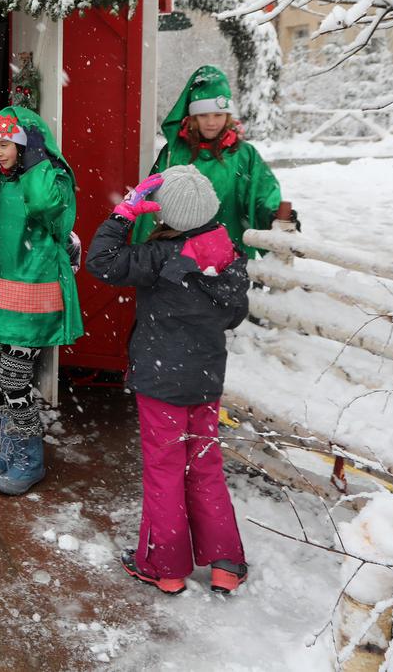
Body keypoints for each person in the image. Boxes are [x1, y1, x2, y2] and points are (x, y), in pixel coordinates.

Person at [85, 164, 251, 596]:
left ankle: (165, 566)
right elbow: (234, 313)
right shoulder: (225, 251)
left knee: (164, 470)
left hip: (162, 381)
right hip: (205, 378)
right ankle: (226, 563)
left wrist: (124, 213)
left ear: (166, 215)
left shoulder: (159, 257)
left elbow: (99, 261)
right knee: (205, 465)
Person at [0, 106, 83, 497]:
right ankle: (10, 452)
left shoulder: (50, 176)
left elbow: (49, 212)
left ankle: (29, 459)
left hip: (33, 292)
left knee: (14, 380)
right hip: (2, 289)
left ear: (26, 144)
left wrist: (36, 160)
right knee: (7, 380)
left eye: (7, 144)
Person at [136, 65, 288, 253]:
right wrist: (144, 253)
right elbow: (150, 203)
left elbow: (262, 194)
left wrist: (272, 214)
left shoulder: (244, 154)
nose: (211, 122)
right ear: (192, 117)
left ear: (228, 116)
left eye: (218, 115)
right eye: (203, 115)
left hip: (230, 254)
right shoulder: (173, 154)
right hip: (179, 258)